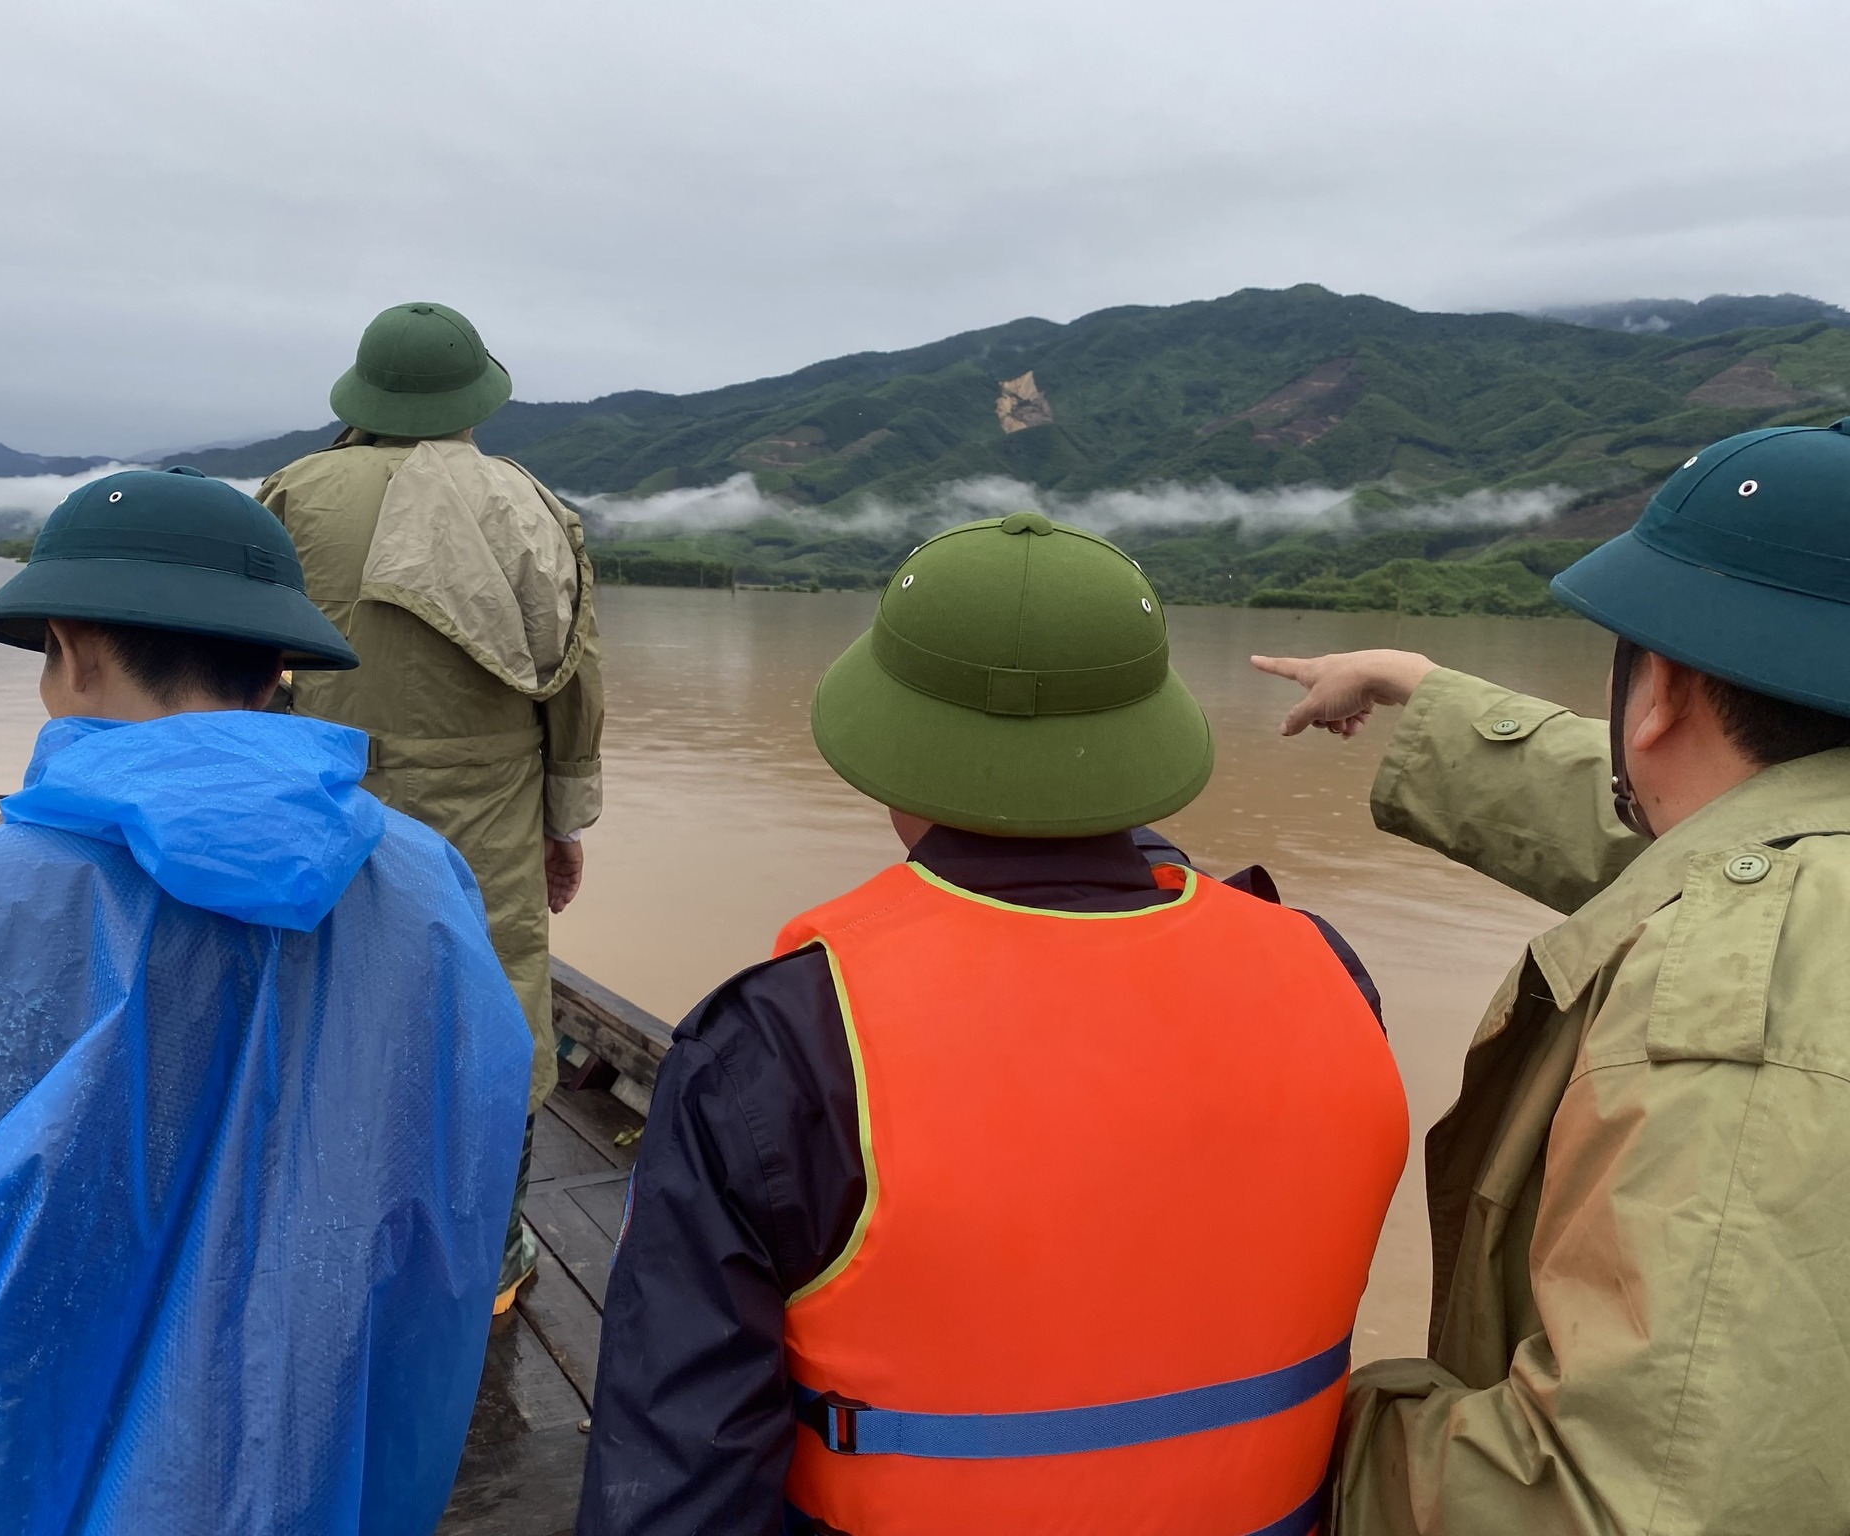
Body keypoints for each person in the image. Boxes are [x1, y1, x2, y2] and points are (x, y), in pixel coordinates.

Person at [579, 512, 1410, 1536]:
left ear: (892, 750)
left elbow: (676, 1477)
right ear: (1141, 741)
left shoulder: (786, 1039)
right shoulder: (1328, 972)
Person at [0, 468, 532, 1536]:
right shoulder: (429, 881)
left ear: (74, 646)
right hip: (332, 1464)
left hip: (11, 1480)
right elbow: (458, 1182)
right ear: (279, 667)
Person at [1253, 419, 1850, 1534]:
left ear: (1656, 689)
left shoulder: (1749, 994)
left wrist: (1289, 1434)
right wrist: (1419, 688)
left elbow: (1620, 1502)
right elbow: (1705, 831)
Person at [259, 300, 604, 1311]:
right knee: (495, 1000)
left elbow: (237, 655)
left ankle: (312, 1221)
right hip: (487, 797)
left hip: (315, 782)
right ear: (472, 399)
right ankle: (492, 1255)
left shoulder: (291, 491)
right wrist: (563, 819)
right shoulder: (529, 503)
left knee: (313, 982)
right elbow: (574, 679)